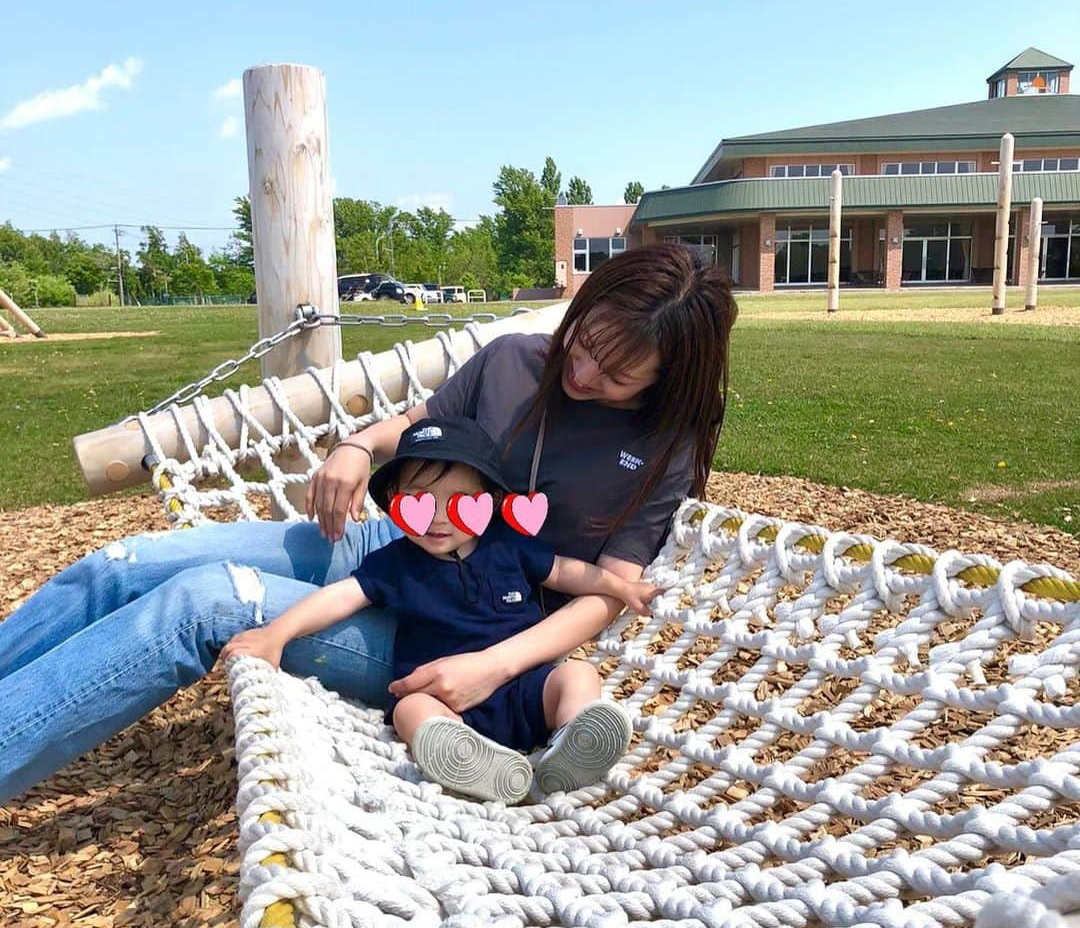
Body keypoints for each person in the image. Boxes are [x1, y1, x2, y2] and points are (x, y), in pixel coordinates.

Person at [0, 244, 737, 804]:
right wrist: (355, 447)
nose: (582, 373)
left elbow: (607, 593)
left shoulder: (662, 448)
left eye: (615, 374)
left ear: (668, 376)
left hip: (459, 626)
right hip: (385, 547)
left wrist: (495, 667)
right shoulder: (516, 360)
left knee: (202, 602)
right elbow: (417, 427)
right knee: (120, 565)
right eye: (585, 342)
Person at [219, 417, 659, 802]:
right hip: (445, 700)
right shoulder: (396, 564)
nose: (438, 518)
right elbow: (339, 597)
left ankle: (573, 741)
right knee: (411, 711)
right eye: (420, 500)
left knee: (578, 676)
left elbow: (565, 572)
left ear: (487, 500)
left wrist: (620, 586)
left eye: (458, 502)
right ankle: (471, 762)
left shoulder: (508, 546)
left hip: (526, 687)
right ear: (394, 500)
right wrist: (276, 634)